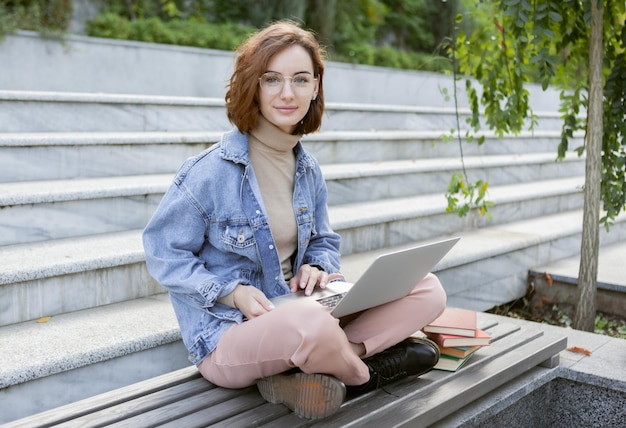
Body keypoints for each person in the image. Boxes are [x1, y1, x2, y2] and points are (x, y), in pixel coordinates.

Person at [142, 20, 447, 420]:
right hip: (229, 333)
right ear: (254, 84)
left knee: (427, 288)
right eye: (273, 79)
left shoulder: (307, 168)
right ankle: (364, 374)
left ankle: (327, 363)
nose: (288, 93)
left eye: (301, 80)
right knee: (308, 324)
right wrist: (231, 293)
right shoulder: (209, 171)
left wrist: (317, 268)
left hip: (300, 308)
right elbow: (163, 253)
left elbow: (323, 240)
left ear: (316, 87)